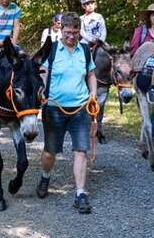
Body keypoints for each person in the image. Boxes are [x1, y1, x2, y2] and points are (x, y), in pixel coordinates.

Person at [36, 12, 97, 214]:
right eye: (68, 32)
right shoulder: (52, 50)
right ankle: (45, 176)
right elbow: (43, 73)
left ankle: (80, 193)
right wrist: (42, 91)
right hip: (54, 109)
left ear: (80, 31)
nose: (72, 36)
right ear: (61, 30)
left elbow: (90, 74)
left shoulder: (85, 50)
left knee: (81, 150)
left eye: (75, 32)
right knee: (49, 152)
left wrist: (93, 93)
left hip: (80, 108)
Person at [130, 3, 154, 146]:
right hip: (143, 72)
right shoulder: (141, 31)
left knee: (151, 104)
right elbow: (133, 50)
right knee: (149, 101)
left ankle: (145, 136)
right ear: (149, 17)